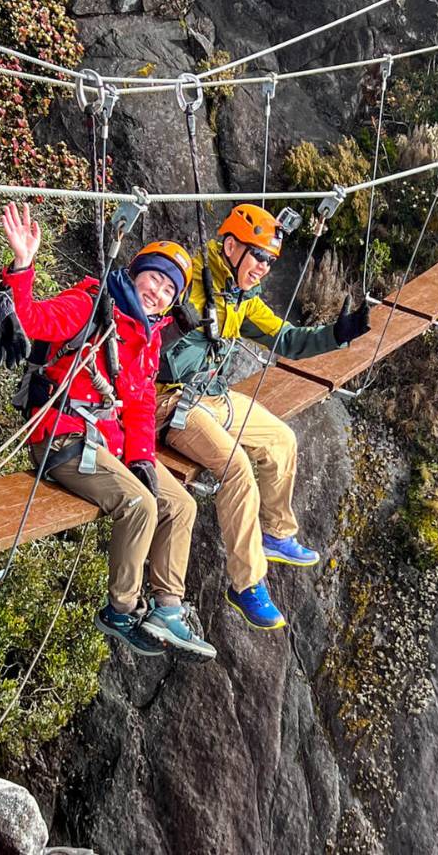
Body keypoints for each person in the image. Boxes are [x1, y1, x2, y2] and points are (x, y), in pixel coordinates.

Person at [0, 201, 214, 661]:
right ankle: (121, 610)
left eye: (168, 289)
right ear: (136, 273)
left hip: (106, 445)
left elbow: (140, 407)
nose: (157, 292)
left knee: (180, 504)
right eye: (154, 278)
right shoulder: (92, 305)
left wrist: (142, 460)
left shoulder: (147, 338)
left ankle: (167, 609)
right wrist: (22, 265)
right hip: (63, 438)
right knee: (139, 505)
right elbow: (33, 319)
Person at [156, 203, 371, 630]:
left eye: (271, 261)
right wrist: (176, 327)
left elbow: (286, 340)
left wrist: (336, 335)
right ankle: (246, 583)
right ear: (231, 247)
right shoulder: (186, 282)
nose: (264, 268)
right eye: (259, 256)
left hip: (210, 396)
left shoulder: (241, 299)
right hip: (169, 403)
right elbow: (141, 325)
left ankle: (276, 532)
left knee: (280, 439)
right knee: (236, 468)